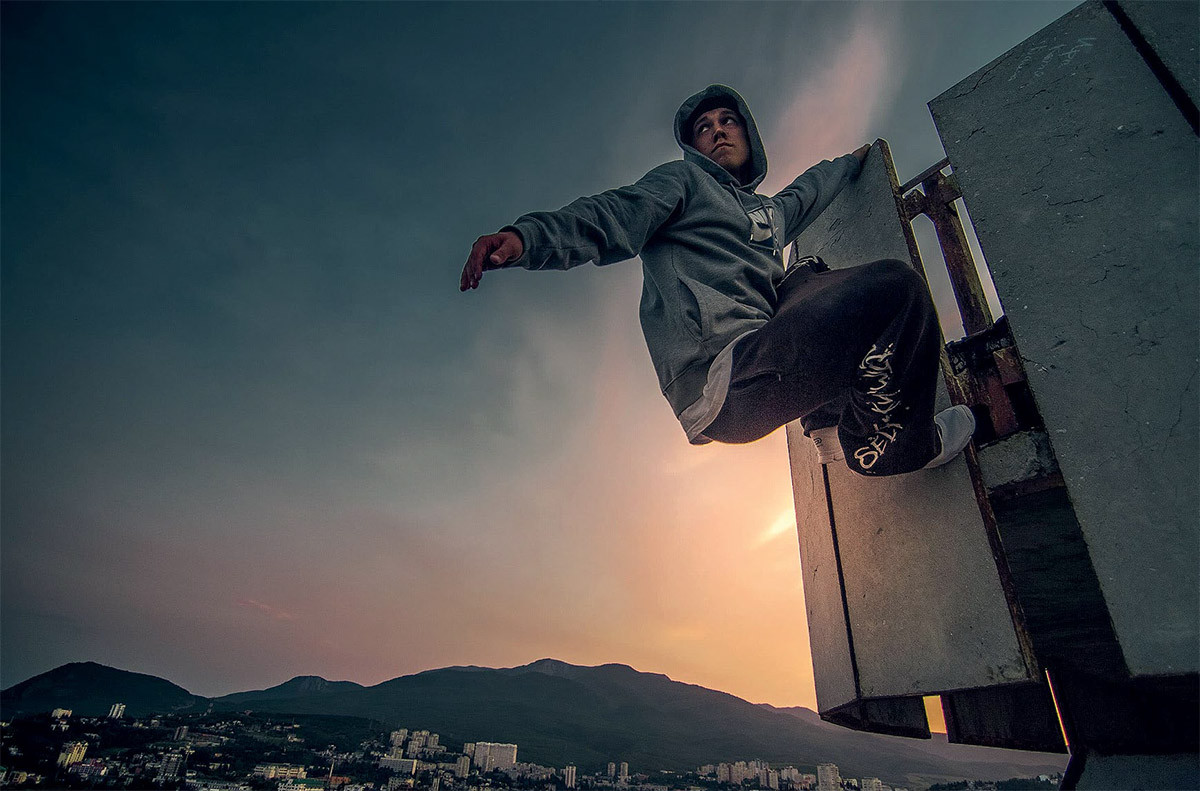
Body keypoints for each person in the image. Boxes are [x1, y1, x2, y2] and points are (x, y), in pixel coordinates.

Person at [461, 84, 974, 476]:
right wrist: (527, 238)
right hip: (723, 378)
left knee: (804, 277)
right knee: (896, 289)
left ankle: (828, 424)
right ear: (694, 147)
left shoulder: (769, 214)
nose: (719, 131)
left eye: (729, 121)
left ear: (749, 135)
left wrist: (851, 162)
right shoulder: (681, 182)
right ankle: (896, 446)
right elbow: (615, 213)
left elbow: (809, 191)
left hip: (768, 366)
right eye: (705, 128)